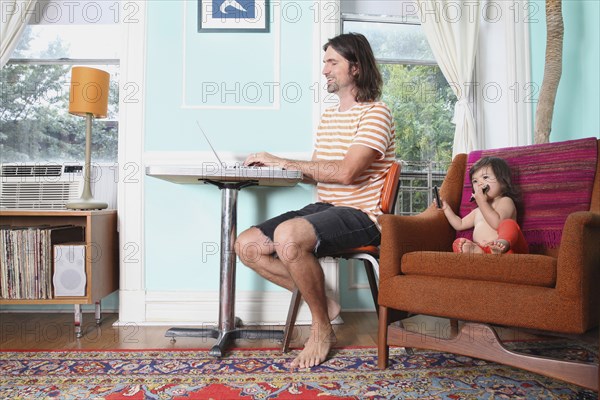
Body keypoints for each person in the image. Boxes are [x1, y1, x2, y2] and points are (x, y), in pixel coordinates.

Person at [235, 33, 396, 369]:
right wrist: (273, 167)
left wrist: (283, 160)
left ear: (355, 67)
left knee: (288, 236)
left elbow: (348, 172)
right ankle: (327, 304)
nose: (324, 69)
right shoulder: (329, 117)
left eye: (332, 62)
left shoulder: (376, 113)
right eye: (324, 62)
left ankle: (321, 328)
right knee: (247, 245)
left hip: (362, 215)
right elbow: (317, 171)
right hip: (325, 208)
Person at [437, 156, 528, 254]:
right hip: (485, 250)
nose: (479, 183)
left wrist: (482, 202)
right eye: (475, 181)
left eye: (485, 177)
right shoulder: (478, 210)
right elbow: (459, 224)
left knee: (509, 224)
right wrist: (446, 208)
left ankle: (501, 246)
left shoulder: (505, 201)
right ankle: (477, 251)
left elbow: (497, 223)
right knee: (459, 243)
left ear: (503, 182)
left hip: (508, 249)